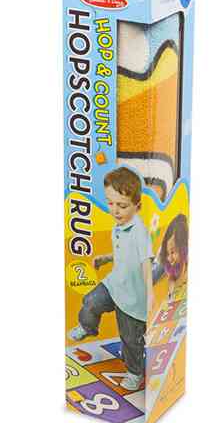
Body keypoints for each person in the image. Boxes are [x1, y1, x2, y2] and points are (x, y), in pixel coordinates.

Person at [68, 167, 153, 391]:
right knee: (91, 301)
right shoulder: (119, 225)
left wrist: (151, 293)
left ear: (137, 206)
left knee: (130, 339)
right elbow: (125, 253)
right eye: (111, 203)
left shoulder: (139, 231)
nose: (115, 210)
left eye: (122, 206)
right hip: (114, 284)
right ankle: (88, 326)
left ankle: (135, 372)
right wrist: (106, 258)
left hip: (133, 298)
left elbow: (146, 261)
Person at [154, 214, 188, 302]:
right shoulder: (166, 259)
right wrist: (171, 293)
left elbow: (183, 276)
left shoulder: (185, 252)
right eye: (168, 253)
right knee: (153, 275)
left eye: (173, 252)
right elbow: (171, 278)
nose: (170, 258)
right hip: (161, 255)